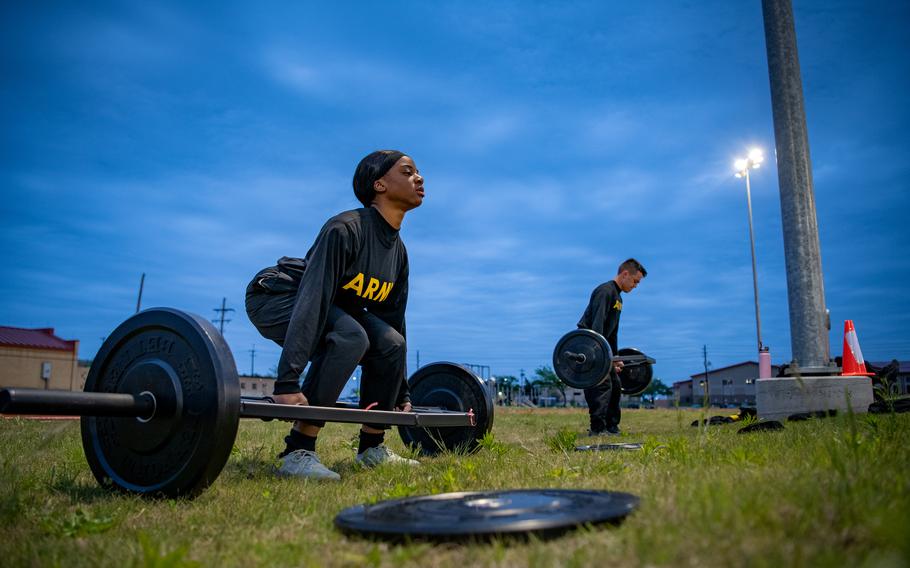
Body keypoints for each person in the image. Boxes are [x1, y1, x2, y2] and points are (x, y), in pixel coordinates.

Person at [245, 150, 424, 480]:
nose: (419, 177)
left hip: (330, 307)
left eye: (418, 172)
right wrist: (287, 382)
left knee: (391, 343)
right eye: (408, 171)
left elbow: (394, 321)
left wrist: (402, 393)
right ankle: (298, 451)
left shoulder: (398, 253)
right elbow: (313, 299)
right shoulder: (345, 229)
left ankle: (371, 449)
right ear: (380, 184)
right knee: (350, 336)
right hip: (277, 297)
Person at [577, 258, 647, 435]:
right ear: (625, 274)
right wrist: (599, 354)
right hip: (590, 347)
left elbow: (612, 333)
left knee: (615, 385)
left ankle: (612, 427)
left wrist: (615, 358)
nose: (635, 286)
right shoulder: (605, 291)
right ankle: (597, 429)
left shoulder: (618, 298)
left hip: (603, 347)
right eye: (635, 281)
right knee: (602, 386)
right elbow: (597, 326)